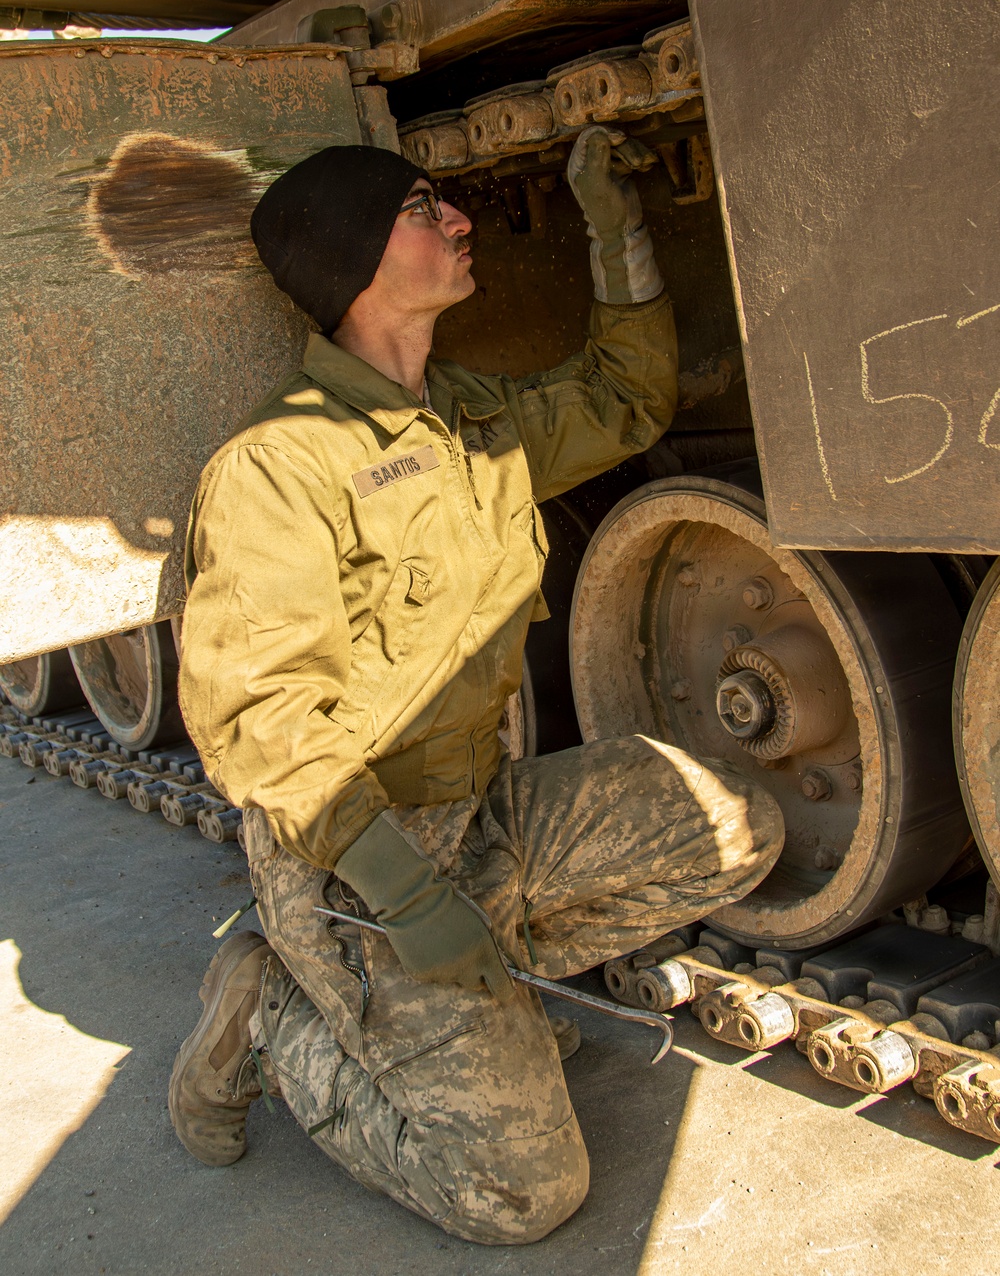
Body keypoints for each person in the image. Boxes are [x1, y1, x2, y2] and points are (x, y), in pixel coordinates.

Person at [169, 127, 783, 1245]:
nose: (457, 221)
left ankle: (463, 993)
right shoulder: (278, 465)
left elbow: (623, 402)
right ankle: (275, 1016)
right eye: (421, 209)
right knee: (521, 1196)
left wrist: (616, 228)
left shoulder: (467, 418)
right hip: (355, 863)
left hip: (480, 808)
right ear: (358, 260)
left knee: (734, 828)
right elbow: (260, 719)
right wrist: (403, 897)